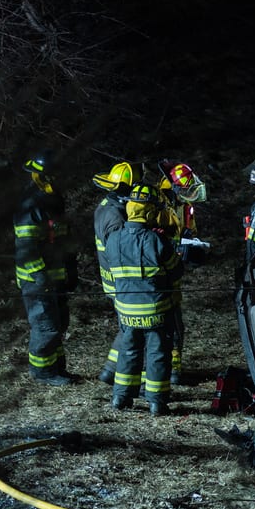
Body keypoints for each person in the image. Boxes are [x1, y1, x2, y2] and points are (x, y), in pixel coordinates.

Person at [106, 183, 184, 416]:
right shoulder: (155, 240)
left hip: (126, 311)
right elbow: (175, 271)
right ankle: (156, 402)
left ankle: (120, 397)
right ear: (150, 212)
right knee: (158, 354)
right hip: (156, 310)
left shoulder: (113, 239)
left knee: (128, 352)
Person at [14, 151, 78, 386]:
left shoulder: (52, 201)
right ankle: (42, 372)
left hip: (55, 276)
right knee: (46, 326)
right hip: (37, 279)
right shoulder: (30, 205)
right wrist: (40, 279)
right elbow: (26, 248)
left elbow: (62, 239)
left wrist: (70, 270)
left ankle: (57, 368)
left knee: (60, 324)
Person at [154, 160, 208, 386]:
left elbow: (190, 230)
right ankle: (164, 370)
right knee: (164, 322)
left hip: (174, 268)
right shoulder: (157, 204)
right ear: (174, 188)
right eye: (186, 189)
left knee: (175, 322)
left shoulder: (184, 205)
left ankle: (173, 369)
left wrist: (193, 243)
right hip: (157, 271)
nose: (191, 193)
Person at [92, 161, 140, 385]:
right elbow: (121, 251)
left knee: (127, 327)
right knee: (131, 328)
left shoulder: (105, 206)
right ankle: (118, 374)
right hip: (120, 283)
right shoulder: (116, 217)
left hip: (112, 281)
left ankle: (110, 370)